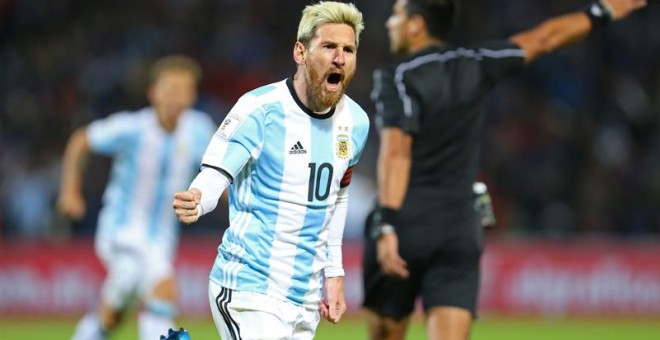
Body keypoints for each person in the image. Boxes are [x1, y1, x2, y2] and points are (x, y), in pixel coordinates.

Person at [362, 0, 647, 339]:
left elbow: (397, 150)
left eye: (397, 16)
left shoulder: (396, 76)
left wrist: (388, 224)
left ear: (416, 24)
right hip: (458, 227)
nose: (390, 23)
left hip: (408, 219)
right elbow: (544, 38)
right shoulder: (477, 62)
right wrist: (600, 12)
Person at [172, 2, 369, 339]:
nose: (340, 58)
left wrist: (333, 274)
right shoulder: (260, 109)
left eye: (348, 49)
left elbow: (337, 199)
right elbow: (216, 173)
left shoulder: (356, 123)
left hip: (305, 300)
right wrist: (198, 198)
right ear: (300, 52)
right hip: (249, 286)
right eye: (329, 47)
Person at [57, 55, 216, 340]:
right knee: (164, 291)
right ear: (153, 93)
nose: (177, 97)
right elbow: (81, 140)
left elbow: (218, 174)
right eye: (170, 89)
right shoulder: (131, 127)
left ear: (193, 95)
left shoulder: (199, 129)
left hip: (163, 236)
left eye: (184, 90)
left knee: (112, 316)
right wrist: (70, 190)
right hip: (121, 231)